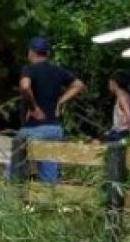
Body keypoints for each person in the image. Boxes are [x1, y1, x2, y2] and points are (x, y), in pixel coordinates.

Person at [14, 37, 85, 183]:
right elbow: (79, 85)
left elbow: (25, 86)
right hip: (53, 128)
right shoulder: (57, 71)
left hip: (33, 128)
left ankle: (13, 198)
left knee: (15, 169)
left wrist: (34, 107)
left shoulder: (29, 69)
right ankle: (46, 204)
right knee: (49, 175)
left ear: (31, 52)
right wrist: (60, 101)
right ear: (47, 53)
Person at [104, 72, 130, 143]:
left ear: (114, 83)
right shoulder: (124, 95)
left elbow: (129, 116)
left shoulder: (122, 98)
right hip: (121, 131)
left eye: (109, 83)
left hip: (123, 132)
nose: (108, 86)